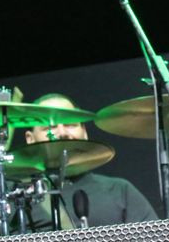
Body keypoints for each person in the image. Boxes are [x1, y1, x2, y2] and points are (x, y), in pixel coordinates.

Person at [19, 93, 158, 230]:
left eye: (70, 124)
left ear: (84, 132)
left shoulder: (119, 190)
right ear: (30, 139)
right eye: (50, 127)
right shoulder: (17, 198)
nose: (62, 132)